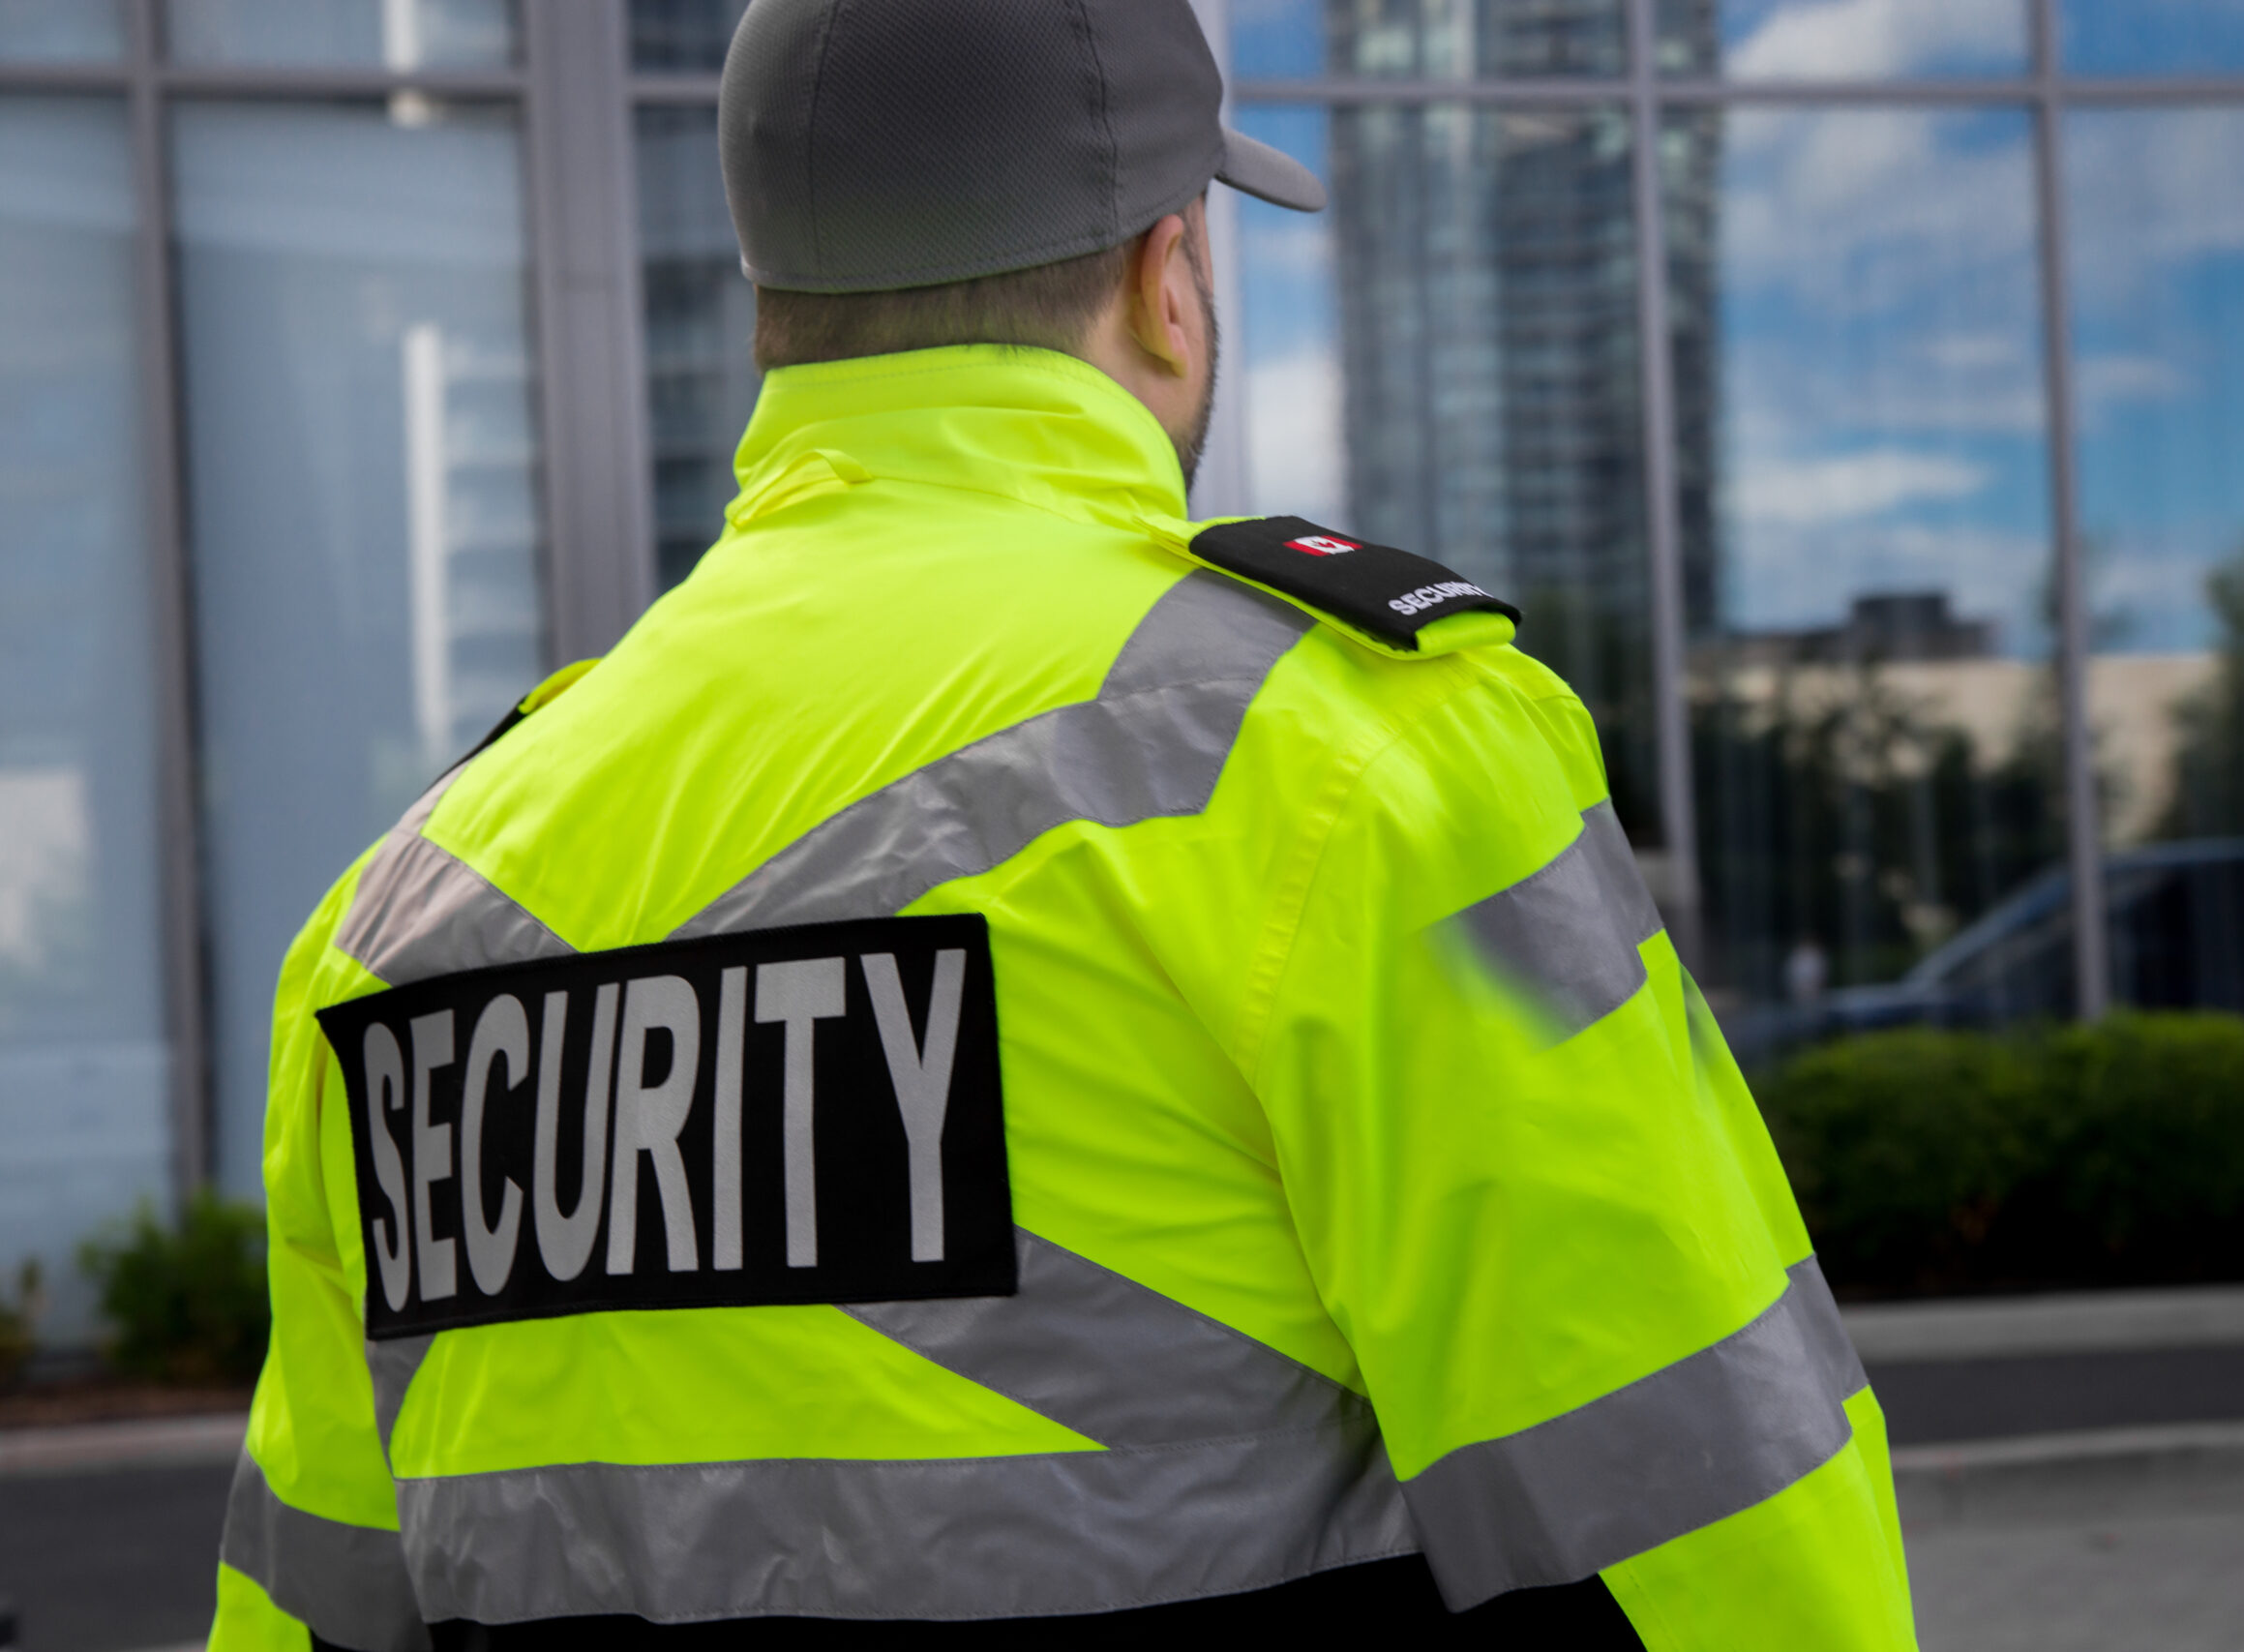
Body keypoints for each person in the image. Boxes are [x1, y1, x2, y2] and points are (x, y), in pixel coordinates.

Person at [209, 1, 1916, 1645]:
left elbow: (316, 1611)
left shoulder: (399, 917)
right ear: (1167, 282)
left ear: (772, 320)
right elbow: (1706, 1514)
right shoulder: (1346, 754)